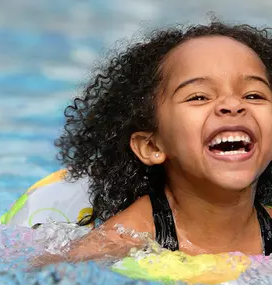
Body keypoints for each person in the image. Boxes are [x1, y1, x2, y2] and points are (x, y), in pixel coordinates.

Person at [39, 21, 272, 265]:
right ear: (152, 147)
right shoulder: (128, 237)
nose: (233, 105)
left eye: (253, 95)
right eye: (199, 96)